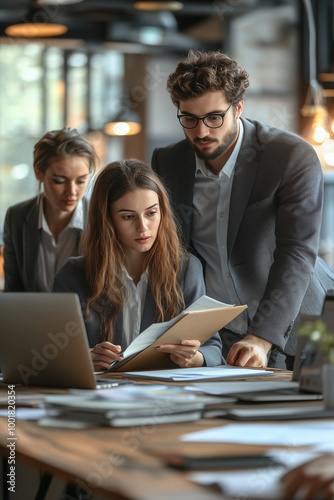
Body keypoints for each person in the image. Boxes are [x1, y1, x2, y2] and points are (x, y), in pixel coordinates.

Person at [151, 49, 334, 369]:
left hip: (300, 326)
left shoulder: (290, 156)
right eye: (189, 119)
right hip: (220, 335)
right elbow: (173, 252)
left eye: (214, 118)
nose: (202, 132)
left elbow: (297, 251)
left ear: (238, 108)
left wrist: (263, 337)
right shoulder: (167, 162)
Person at [53, 159, 223, 371]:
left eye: (151, 213)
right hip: (101, 397)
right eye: (127, 217)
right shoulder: (73, 275)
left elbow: (213, 349)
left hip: (165, 396)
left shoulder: (187, 269)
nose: (143, 227)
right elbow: (48, 354)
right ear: (106, 219)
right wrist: (81, 357)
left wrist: (194, 357)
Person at [3, 127, 98, 292]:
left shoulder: (98, 219)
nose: (72, 192)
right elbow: (13, 292)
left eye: (81, 181)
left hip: (82, 318)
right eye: (60, 181)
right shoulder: (17, 217)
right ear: (38, 173)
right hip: (30, 317)